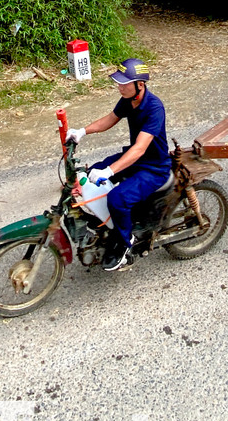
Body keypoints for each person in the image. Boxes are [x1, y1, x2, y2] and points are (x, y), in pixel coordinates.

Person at [64, 58, 170, 271]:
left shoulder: (154, 107)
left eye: (124, 83)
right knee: (92, 171)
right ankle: (109, 223)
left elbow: (140, 148)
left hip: (154, 167)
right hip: (136, 159)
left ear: (140, 84)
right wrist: (82, 132)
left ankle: (124, 243)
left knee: (117, 198)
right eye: (118, 83)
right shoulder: (128, 100)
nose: (119, 87)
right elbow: (110, 119)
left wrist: (110, 171)